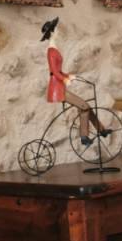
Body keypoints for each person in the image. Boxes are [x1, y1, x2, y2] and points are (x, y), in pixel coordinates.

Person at [42, 18, 109, 147]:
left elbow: (58, 71)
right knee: (84, 106)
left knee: (86, 106)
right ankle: (84, 137)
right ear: (52, 32)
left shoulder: (54, 48)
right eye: (56, 30)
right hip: (57, 89)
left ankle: (102, 130)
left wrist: (68, 75)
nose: (58, 31)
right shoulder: (51, 51)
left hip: (60, 86)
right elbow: (54, 72)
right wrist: (65, 79)